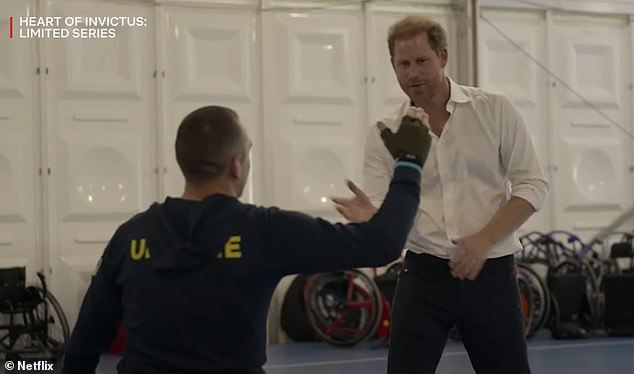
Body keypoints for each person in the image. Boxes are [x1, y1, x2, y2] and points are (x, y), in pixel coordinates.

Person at [60, 105, 431, 374]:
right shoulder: (264, 231)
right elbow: (382, 243)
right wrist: (409, 162)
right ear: (236, 164)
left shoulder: (131, 237)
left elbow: (84, 344)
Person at [335, 15, 549, 374]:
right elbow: (385, 210)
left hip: (491, 272)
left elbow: (532, 184)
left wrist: (483, 241)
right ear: (393, 67)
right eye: (403, 64)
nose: (413, 73)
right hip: (423, 275)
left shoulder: (495, 110)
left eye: (422, 61)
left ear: (443, 57)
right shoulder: (386, 133)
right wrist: (372, 216)